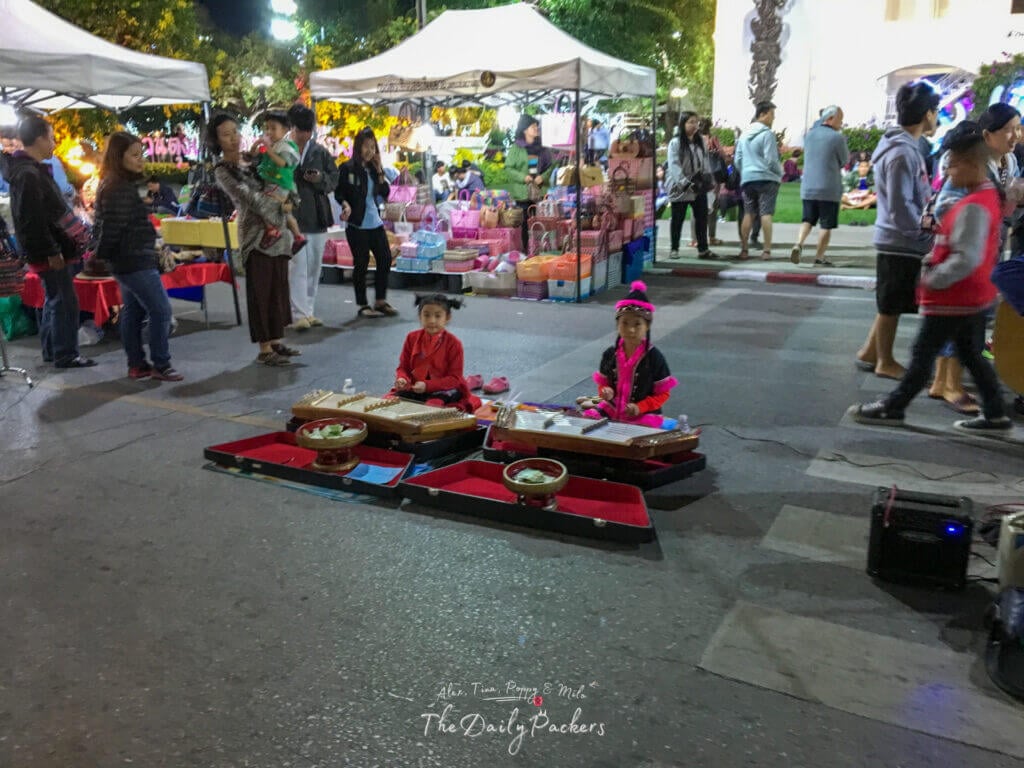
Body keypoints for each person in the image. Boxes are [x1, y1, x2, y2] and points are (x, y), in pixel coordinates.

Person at [849, 129, 1011, 433]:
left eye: (953, 165)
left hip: (955, 297)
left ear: (972, 165)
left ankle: (894, 407)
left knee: (922, 354)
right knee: (972, 357)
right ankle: (995, 413)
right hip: (971, 297)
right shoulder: (983, 197)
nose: (948, 172)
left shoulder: (974, 206)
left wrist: (933, 279)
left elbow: (967, 257)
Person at [855, 82, 939, 380]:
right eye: (936, 111)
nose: (937, 117)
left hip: (898, 237)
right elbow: (901, 205)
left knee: (891, 300)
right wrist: (921, 231)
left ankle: (870, 351)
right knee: (892, 304)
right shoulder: (902, 152)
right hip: (899, 239)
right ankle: (885, 361)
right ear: (927, 113)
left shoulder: (902, 147)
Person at [209, 113, 299, 367]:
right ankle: (264, 348)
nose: (234, 138)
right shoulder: (223, 171)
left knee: (278, 289)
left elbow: (285, 179)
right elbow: (251, 199)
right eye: (226, 135)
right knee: (261, 291)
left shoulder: (254, 160)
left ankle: (276, 339)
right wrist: (281, 206)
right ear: (217, 141)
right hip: (254, 235)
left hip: (278, 233)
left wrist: (289, 202)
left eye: (235, 132)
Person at [6, 115, 94, 368]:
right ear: (39, 138)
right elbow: (31, 220)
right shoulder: (28, 174)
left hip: (49, 249)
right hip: (49, 252)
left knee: (54, 300)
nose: (54, 143)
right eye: (52, 137)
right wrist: (51, 251)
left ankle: (53, 351)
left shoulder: (30, 171)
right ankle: (66, 354)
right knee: (64, 302)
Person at [94, 132, 182, 381]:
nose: (140, 160)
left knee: (133, 311)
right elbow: (113, 227)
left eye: (140, 154)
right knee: (161, 310)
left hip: (129, 258)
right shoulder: (117, 187)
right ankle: (161, 364)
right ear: (117, 157)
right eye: (134, 155)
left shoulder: (119, 183)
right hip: (132, 259)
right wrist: (103, 255)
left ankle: (137, 364)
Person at [582, 281, 677, 428]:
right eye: (624, 323)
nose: (630, 330)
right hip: (611, 409)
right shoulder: (610, 354)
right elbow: (603, 383)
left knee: (634, 439)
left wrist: (640, 407)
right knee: (586, 423)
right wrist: (605, 392)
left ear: (647, 326)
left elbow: (663, 394)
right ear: (617, 324)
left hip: (643, 413)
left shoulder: (654, 357)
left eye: (637, 324)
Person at [286, 104, 340, 331]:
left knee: (314, 265)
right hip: (292, 216)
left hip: (316, 214)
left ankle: (308, 310)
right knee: (297, 265)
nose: (305, 135)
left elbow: (334, 177)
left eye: (308, 130)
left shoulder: (319, 151)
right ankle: (297, 313)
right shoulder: (282, 150)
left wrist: (319, 179)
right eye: (300, 130)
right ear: (292, 128)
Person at [335, 127, 398, 319]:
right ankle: (363, 304)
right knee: (361, 263)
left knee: (385, 258)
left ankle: (380, 300)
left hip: (375, 222)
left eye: (373, 147)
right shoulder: (347, 168)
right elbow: (339, 193)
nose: (370, 151)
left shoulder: (373, 169)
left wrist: (379, 170)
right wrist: (345, 206)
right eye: (366, 146)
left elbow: (385, 193)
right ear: (358, 147)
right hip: (357, 224)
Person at [392, 293, 480, 413]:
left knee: (431, 408)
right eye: (426, 315)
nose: (432, 321)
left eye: (438, 316)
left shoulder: (454, 343)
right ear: (419, 316)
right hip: (416, 387)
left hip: (444, 389)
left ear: (447, 317)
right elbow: (403, 367)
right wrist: (402, 379)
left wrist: (427, 386)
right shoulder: (411, 337)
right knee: (389, 403)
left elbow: (455, 379)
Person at [791, 105, 849, 267]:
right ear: (830, 118)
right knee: (826, 224)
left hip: (808, 186)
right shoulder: (837, 138)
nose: (841, 123)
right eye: (840, 119)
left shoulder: (809, 136)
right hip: (828, 188)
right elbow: (844, 160)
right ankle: (819, 256)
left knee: (807, 220)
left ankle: (798, 243)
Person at [665, 111, 717, 260]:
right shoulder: (675, 143)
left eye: (696, 122)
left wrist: (709, 180)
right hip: (680, 187)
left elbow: (705, 162)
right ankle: (674, 249)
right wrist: (684, 183)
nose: (695, 125)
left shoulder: (700, 141)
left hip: (698, 186)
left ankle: (703, 249)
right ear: (683, 124)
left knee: (701, 218)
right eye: (691, 122)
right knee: (677, 218)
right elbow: (674, 165)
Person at [734, 101, 782, 260]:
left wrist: (746, 171)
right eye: (772, 115)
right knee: (766, 213)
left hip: (748, 179)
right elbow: (771, 159)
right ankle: (766, 251)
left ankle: (744, 249)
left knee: (749, 213)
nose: (773, 119)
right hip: (767, 179)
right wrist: (778, 173)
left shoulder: (744, 134)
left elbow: (738, 159)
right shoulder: (767, 134)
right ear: (762, 114)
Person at [252, 111, 305, 252]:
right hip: (277, 184)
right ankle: (298, 236)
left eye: (273, 128)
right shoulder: (274, 145)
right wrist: (256, 146)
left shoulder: (285, 146)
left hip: (278, 183)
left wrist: (268, 150)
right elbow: (253, 155)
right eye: (267, 128)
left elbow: (282, 163)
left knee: (260, 203)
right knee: (286, 214)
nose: (269, 132)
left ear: (286, 130)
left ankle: (272, 231)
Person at [505, 114, 553, 245]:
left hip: (540, 192)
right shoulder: (516, 148)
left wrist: (542, 177)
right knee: (525, 224)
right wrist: (523, 177)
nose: (536, 128)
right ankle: (527, 250)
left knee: (541, 222)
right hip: (522, 193)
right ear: (525, 129)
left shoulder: (543, 148)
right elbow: (508, 168)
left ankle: (541, 248)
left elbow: (551, 166)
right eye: (533, 126)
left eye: (537, 126)